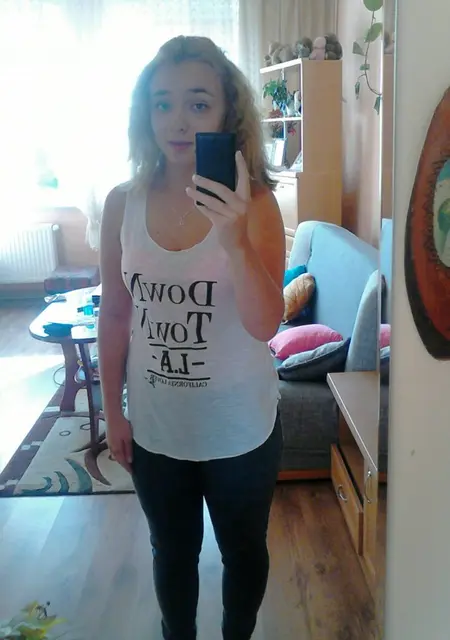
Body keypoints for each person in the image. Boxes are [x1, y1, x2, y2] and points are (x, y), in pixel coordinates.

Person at [98, 35, 285, 640]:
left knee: (243, 552)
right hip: (157, 428)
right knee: (170, 552)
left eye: (198, 103)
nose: (177, 121)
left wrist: (233, 238)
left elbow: (265, 325)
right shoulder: (121, 204)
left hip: (241, 428)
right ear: (145, 113)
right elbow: (115, 315)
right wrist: (113, 412)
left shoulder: (256, 204)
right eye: (163, 103)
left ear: (228, 113)